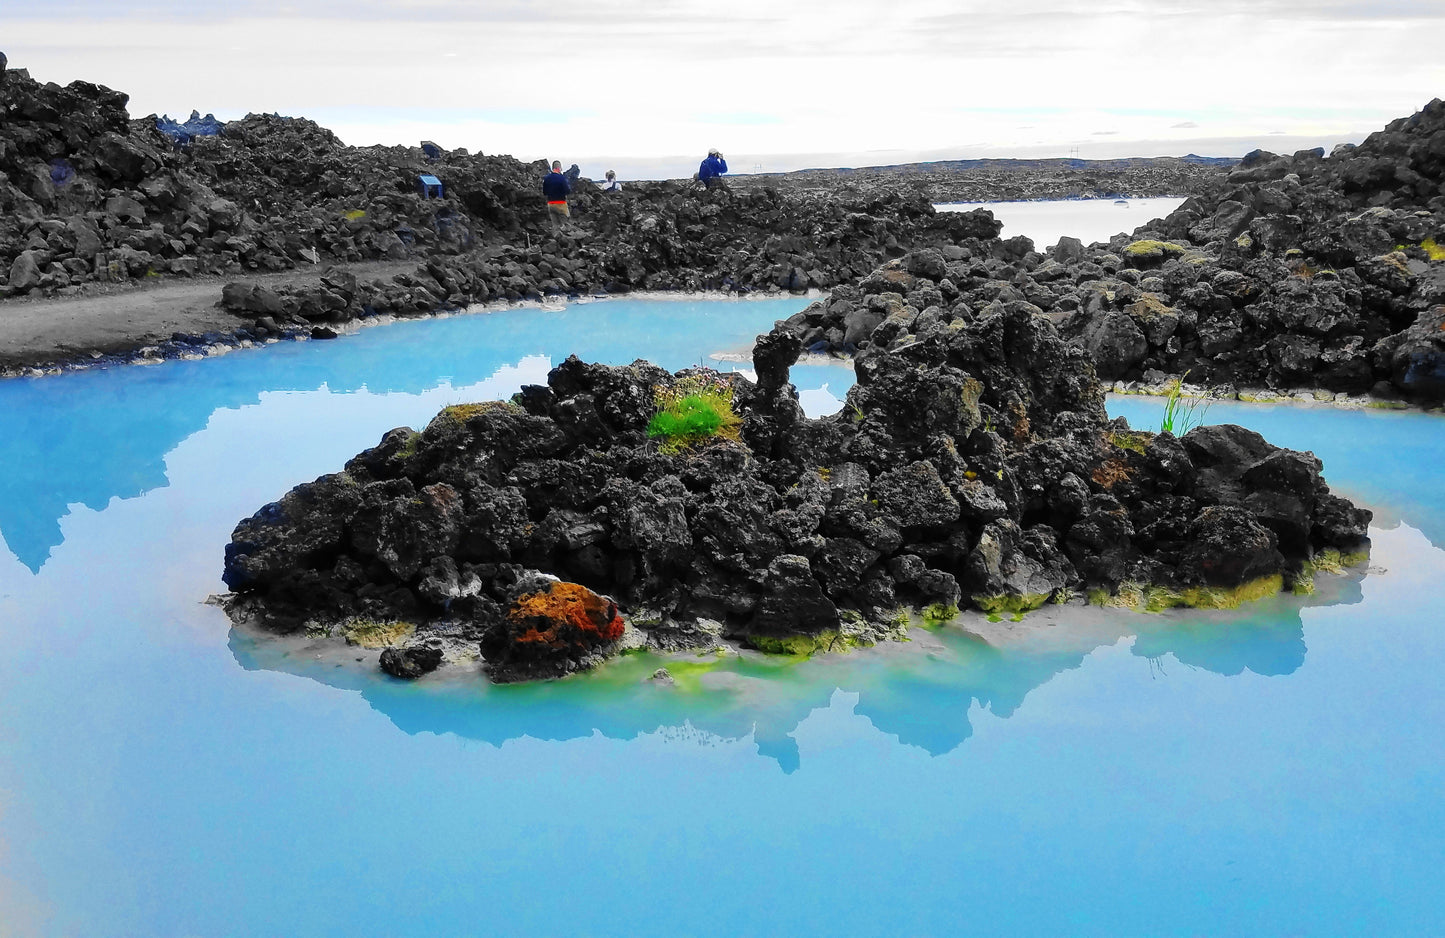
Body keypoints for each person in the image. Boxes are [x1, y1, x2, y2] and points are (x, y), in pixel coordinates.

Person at [542, 159, 571, 230]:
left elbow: (544, 192)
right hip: (561, 204)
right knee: (565, 224)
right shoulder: (561, 178)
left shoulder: (547, 178)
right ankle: (565, 239)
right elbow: (567, 191)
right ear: (558, 168)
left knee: (555, 226)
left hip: (551, 204)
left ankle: (556, 238)